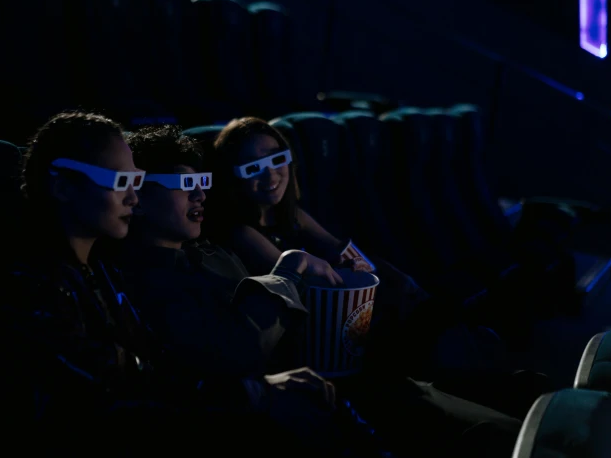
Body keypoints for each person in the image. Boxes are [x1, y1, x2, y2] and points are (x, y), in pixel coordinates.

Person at [122, 124, 524, 458]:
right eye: (183, 183)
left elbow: (340, 255)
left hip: (329, 370)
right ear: (137, 196)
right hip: (304, 392)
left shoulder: (209, 251)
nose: (199, 194)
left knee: (487, 411)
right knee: (480, 431)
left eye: (201, 181)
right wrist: (294, 267)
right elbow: (242, 346)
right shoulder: (155, 277)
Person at [0, 111, 365, 456]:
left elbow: (151, 374)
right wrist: (254, 395)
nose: (134, 196)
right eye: (122, 181)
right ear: (62, 187)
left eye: (137, 181)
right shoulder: (33, 284)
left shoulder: (96, 270)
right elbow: (108, 399)